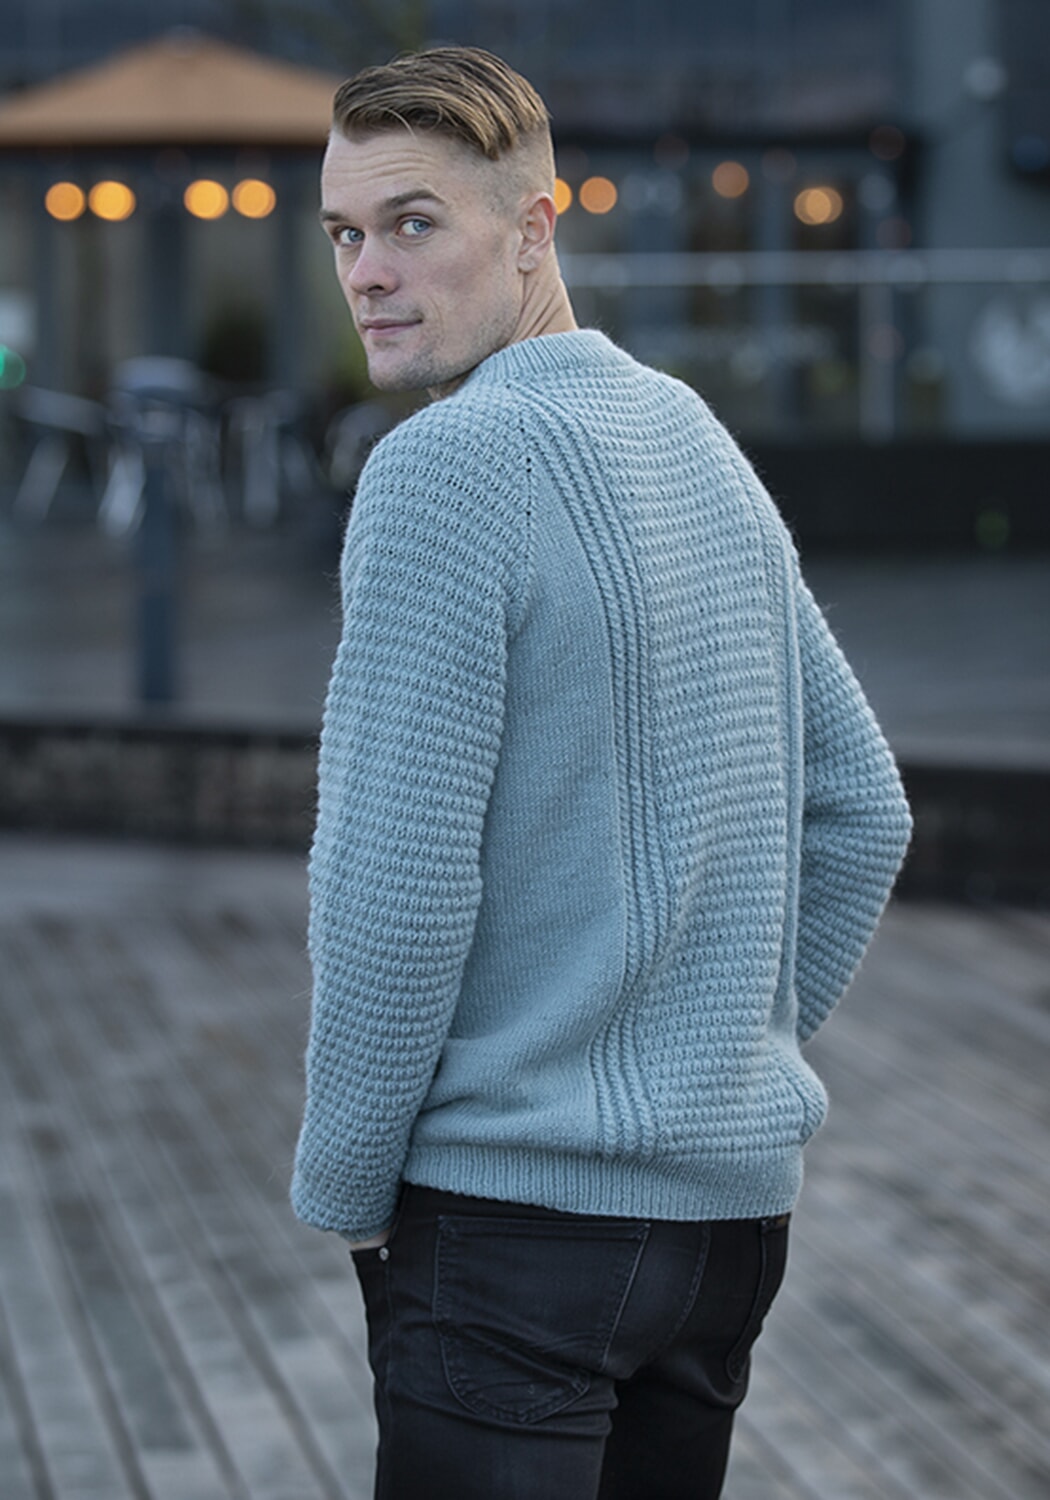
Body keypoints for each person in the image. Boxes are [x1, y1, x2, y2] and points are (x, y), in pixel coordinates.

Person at [291, 45, 912, 1500]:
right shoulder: (690, 436)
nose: (368, 273)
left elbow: (393, 885)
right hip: (723, 1239)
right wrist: (704, 1063)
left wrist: (347, 1186)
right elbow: (862, 813)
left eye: (413, 224)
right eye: (344, 234)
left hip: (512, 1233)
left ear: (534, 228)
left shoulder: (442, 468)